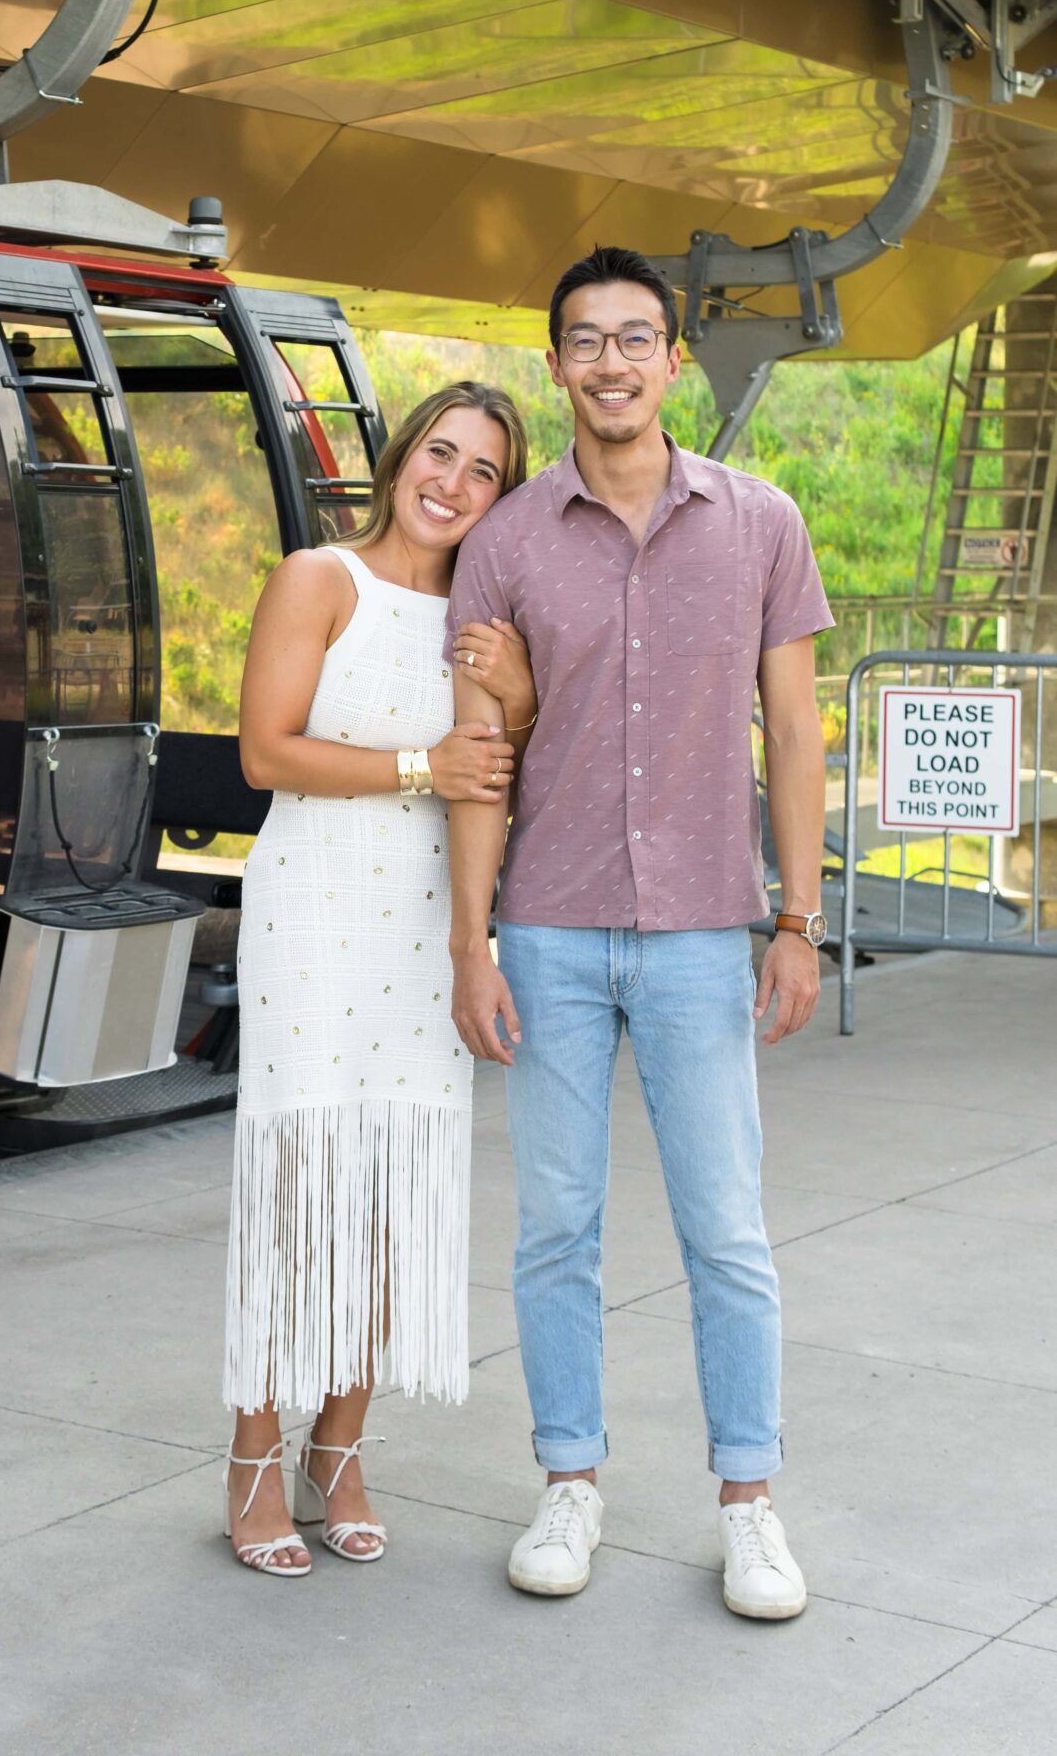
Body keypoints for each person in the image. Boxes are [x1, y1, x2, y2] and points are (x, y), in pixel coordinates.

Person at [447, 245, 831, 1622]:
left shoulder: (758, 523)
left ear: (670, 361)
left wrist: (795, 916)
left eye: (633, 339)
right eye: (582, 340)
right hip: (545, 930)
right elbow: (481, 751)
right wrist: (467, 945)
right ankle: (568, 1484)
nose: (608, 362)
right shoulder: (500, 544)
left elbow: (791, 732)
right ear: (552, 365)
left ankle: (748, 1504)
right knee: (554, 1228)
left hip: (694, 934)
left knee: (723, 1231)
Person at [222, 383, 532, 1576]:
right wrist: (425, 763)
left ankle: (339, 1449)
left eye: (483, 471)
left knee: (395, 1189)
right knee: (302, 1184)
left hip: (428, 927)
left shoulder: (480, 617)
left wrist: (518, 689)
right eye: (439, 454)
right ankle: (254, 1456)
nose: (451, 483)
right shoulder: (321, 578)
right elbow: (266, 751)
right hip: (313, 911)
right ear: (401, 457)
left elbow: (502, 766)